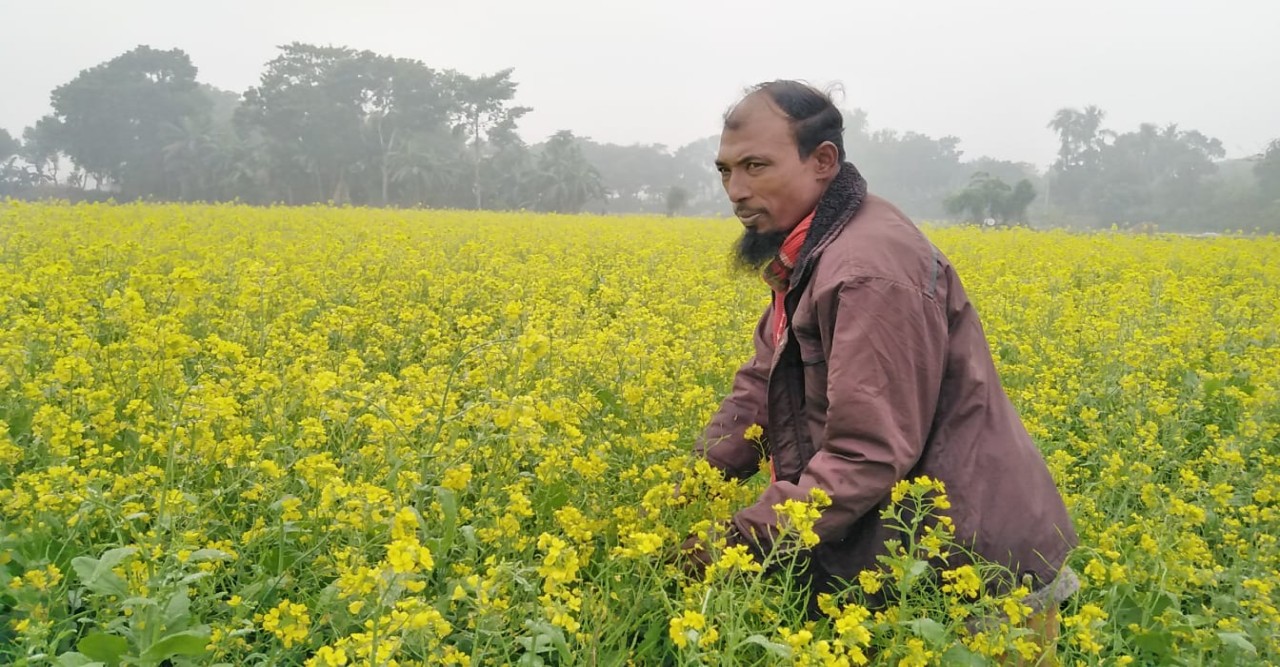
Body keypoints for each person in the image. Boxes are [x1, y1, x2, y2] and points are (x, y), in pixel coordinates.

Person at [685, 80, 1079, 639]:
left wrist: (735, 543)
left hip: (972, 571)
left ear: (823, 161)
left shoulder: (868, 271)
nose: (736, 189)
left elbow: (867, 450)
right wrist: (691, 488)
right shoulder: (811, 251)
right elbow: (760, 387)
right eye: (725, 170)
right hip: (905, 552)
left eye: (756, 166)